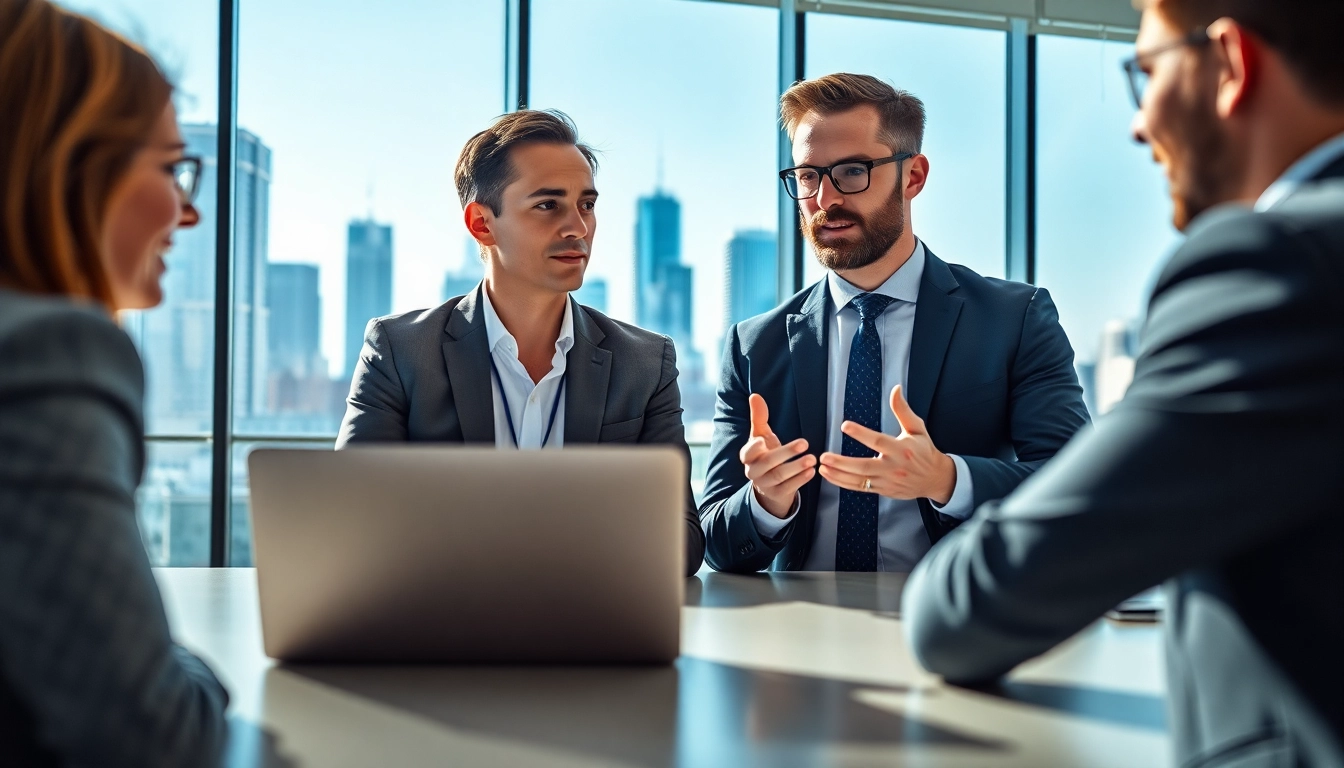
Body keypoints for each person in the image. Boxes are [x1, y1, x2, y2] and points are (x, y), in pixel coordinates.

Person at [901, 1, 1344, 765]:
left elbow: (965, 610)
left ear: (1231, 63)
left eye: (1146, 73)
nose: (1139, 127)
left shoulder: (1282, 262)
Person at [699, 74, 1089, 573]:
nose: (825, 199)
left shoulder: (1014, 320)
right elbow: (714, 541)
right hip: (800, 627)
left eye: (852, 171)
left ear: (914, 177)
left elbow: (1076, 488)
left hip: (958, 617)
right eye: (808, 176)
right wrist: (766, 503)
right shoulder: (755, 345)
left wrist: (948, 479)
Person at [0, 1, 231, 765]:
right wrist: (190, 667)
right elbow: (151, 733)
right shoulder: (49, 353)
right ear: (70, 165)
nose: (189, 212)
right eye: (170, 168)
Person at [337, 109, 706, 577]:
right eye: (548, 205)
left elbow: (683, 545)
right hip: (442, 626)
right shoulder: (400, 350)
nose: (578, 227)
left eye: (587, 205)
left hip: (591, 627)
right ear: (481, 223)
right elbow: (350, 520)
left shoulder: (645, 361)